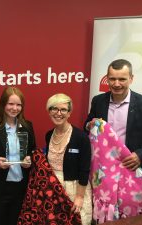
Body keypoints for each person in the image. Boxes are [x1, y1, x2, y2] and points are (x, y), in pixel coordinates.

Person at [84, 59, 142, 185]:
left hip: (135, 170)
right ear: (107, 78)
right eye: (112, 79)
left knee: (137, 205)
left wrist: (140, 155)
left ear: (131, 79)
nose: (116, 84)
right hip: (104, 172)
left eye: (122, 79)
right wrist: (89, 125)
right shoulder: (98, 101)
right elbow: (87, 125)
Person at [0, 87, 36, 225]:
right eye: (11, 104)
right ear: (3, 104)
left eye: (18, 105)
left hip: (20, 187)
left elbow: (32, 152)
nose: (15, 108)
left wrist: (30, 160)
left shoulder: (27, 126)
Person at [45, 93, 92, 225]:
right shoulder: (49, 135)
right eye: (54, 108)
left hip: (75, 189)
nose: (58, 113)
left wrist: (79, 197)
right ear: (49, 111)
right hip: (53, 189)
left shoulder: (81, 137)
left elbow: (84, 169)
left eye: (63, 109)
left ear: (69, 113)